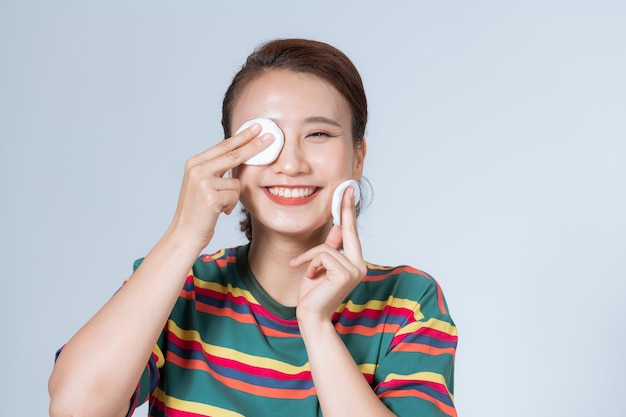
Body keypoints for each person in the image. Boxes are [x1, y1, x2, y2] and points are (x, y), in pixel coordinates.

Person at [48, 38, 458, 417]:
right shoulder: (180, 286)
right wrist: (184, 235)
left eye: (318, 133)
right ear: (229, 155)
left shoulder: (407, 301)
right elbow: (75, 408)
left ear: (357, 156)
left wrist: (315, 326)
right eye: (266, 138)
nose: (292, 164)